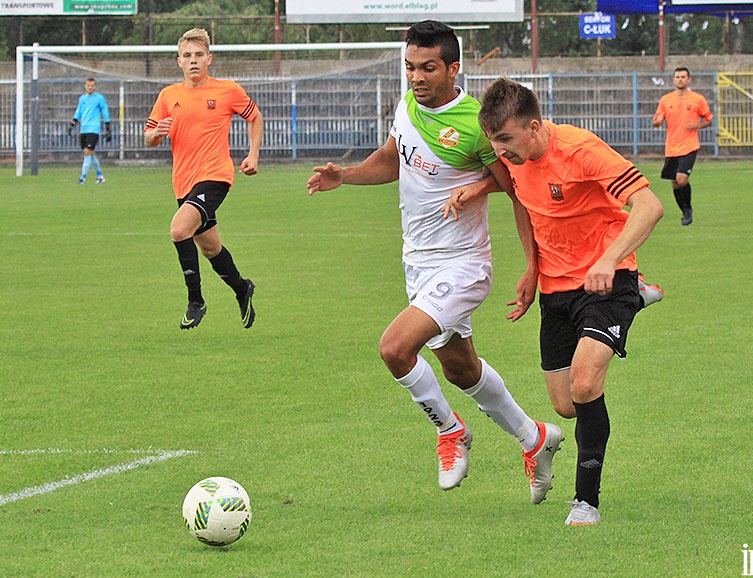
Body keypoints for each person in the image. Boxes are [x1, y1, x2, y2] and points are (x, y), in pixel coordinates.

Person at [306, 21, 563, 503]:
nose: (416, 77)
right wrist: (347, 175)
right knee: (461, 371)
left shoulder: (474, 124)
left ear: (452, 68)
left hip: (463, 264)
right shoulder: (407, 106)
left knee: (395, 349)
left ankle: (450, 431)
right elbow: (392, 159)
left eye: (427, 68)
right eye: (409, 67)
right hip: (418, 261)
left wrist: (532, 264)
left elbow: (519, 189)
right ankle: (535, 439)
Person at [452, 78, 664, 526]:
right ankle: (638, 301)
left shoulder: (581, 149)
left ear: (534, 126)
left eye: (506, 140)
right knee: (566, 404)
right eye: (493, 142)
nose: (500, 152)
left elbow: (648, 206)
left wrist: (609, 260)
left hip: (606, 280)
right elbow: (525, 202)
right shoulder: (515, 158)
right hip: (555, 288)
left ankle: (586, 501)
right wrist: (531, 267)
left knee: (586, 385)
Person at [144, 28, 262, 330]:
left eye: (199, 55)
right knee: (210, 248)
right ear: (179, 61)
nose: (193, 60)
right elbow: (149, 137)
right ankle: (241, 288)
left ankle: (195, 300)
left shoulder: (227, 90)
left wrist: (253, 155)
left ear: (209, 59)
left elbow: (255, 117)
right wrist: (155, 134)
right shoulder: (168, 96)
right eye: (187, 56)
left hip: (216, 175)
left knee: (179, 228)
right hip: (183, 182)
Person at [652, 67, 713, 226]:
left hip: (690, 145)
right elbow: (657, 120)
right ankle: (685, 211)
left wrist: (699, 125)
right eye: (677, 77)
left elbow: (708, 119)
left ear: (689, 79)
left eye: (683, 77)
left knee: (682, 178)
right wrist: (657, 122)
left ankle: (688, 209)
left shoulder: (697, 99)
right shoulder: (666, 100)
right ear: (674, 80)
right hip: (672, 147)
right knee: (674, 183)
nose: (680, 79)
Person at [68, 78, 111, 184]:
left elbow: (105, 111)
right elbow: (79, 110)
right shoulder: (82, 99)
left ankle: (82, 178)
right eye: (88, 85)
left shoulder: (99, 98)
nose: (90, 87)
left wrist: (107, 125)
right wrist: (73, 122)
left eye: (92, 85)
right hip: (84, 128)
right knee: (90, 153)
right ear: (85, 86)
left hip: (94, 128)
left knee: (87, 151)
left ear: (95, 86)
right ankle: (100, 176)